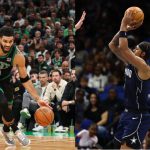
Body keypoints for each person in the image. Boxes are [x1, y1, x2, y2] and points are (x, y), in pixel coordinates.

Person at [0, 26, 49, 146]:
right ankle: (16, 130)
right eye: (5, 41)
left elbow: (25, 80)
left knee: (8, 110)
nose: (8, 44)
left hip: (6, 81)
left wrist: (38, 99)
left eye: (10, 41)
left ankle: (6, 131)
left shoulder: (18, 55)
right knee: (2, 103)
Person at [108, 11, 150, 149]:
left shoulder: (144, 67)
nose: (134, 49)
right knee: (116, 145)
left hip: (139, 116)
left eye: (136, 48)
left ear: (143, 54)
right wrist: (124, 29)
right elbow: (112, 46)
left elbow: (124, 48)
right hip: (127, 113)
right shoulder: (130, 63)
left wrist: (124, 23)